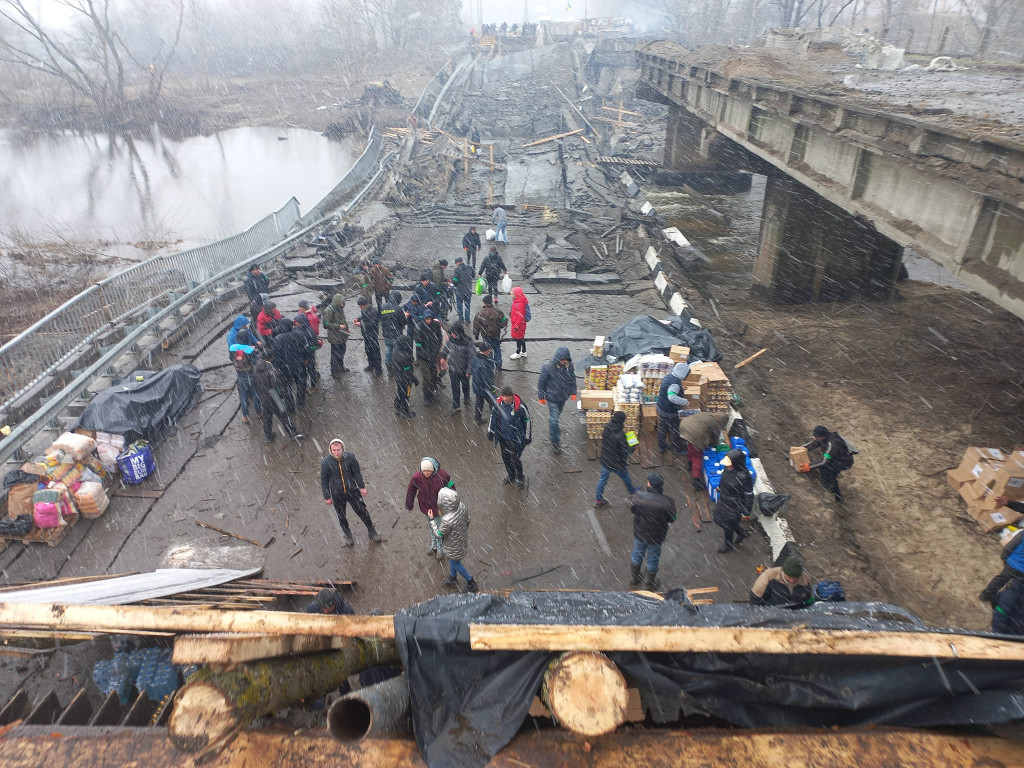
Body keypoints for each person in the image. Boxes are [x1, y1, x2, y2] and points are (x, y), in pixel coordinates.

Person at [321, 438, 381, 547]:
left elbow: (357, 473)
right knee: (341, 516)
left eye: (338, 450)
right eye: (334, 450)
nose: (336, 452)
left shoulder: (350, 457)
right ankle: (348, 534)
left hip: (352, 490)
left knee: (362, 510)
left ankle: (371, 530)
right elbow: (324, 480)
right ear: (330, 450)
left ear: (342, 448)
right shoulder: (326, 462)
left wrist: (362, 486)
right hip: (336, 493)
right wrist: (327, 496)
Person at [629, 472, 677, 590]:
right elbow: (672, 519)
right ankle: (649, 583)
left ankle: (635, 578)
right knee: (653, 559)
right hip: (656, 537)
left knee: (637, 554)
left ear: (649, 484)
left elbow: (633, 510)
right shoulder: (668, 502)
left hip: (640, 533)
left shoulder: (638, 497)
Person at [406, 457, 455, 559]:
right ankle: (434, 543)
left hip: (438, 507)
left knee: (437, 527)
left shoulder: (442, 476)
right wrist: (409, 505)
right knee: (430, 525)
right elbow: (411, 490)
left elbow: (451, 486)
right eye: (424, 471)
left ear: (433, 469)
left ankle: (440, 547)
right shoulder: (417, 477)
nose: (426, 473)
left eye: (428, 471)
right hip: (425, 506)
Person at [432, 487, 478, 592]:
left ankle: (471, 582)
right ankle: (453, 577)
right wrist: (462, 531)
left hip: (452, 545)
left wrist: (432, 521)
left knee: (455, 563)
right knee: (453, 560)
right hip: (461, 540)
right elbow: (468, 520)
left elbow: (439, 534)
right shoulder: (462, 506)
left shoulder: (447, 519)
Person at [979, 502, 1024, 604]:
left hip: (1012, 564)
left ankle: (986, 595)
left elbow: (1009, 548)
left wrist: (1004, 557)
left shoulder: (1022, 535)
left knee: (1000, 580)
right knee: (1015, 587)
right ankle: (1004, 601)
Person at [489, 385, 531, 488]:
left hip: (515, 438)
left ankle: (520, 477)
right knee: (505, 457)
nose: (505, 399)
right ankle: (511, 474)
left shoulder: (520, 406)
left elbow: (527, 421)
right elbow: (493, 417)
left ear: (512, 396)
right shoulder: (498, 404)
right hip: (503, 437)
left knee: (515, 458)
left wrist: (527, 436)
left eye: (508, 397)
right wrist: (490, 431)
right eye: (504, 397)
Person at [798, 425, 855, 503]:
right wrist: (799, 449)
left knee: (827, 469)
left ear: (822, 436)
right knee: (828, 472)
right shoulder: (823, 438)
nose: (815, 439)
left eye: (817, 437)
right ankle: (835, 493)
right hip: (836, 458)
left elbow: (824, 461)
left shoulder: (832, 444)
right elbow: (813, 444)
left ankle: (831, 489)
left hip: (844, 462)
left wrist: (810, 466)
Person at [537, 347, 577, 455]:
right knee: (554, 419)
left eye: (566, 359)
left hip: (563, 397)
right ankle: (555, 442)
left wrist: (573, 392)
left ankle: (554, 429)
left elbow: (573, 379)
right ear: (558, 358)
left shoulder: (570, 367)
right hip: (552, 398)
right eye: (563, 359)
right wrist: (541, 396)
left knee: (557, 415)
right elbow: (541, 383)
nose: (564, 361)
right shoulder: (548, 367)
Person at [253, 350, 300, 442]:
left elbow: (254, 382)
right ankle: (292, 433)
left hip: (264, 397)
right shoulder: (272, 370)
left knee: (267, 417)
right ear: (270, 358)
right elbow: (278, 387)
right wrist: (282, 396)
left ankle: (268, 436)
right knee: (284, 416)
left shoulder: (255, 368)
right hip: (274, 397)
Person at [713, 449, 753, 553]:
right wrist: (720, 487)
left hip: (734, 504)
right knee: (725, 520)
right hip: (724, 499)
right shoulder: (728, 468)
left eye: (730, 464)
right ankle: (742, 533)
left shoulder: (745, 476)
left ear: (737, 462)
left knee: (727, 524)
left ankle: (728, 544)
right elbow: (724, 478)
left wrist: (746, 511)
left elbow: (748, 494)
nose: (728, 466)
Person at [595, 411, 637, 508]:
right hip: (617, 463)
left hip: (605, 461)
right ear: (622, 421)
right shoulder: (620, 435)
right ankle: (632, 491)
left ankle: (598, 500)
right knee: (625, 477)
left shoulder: (606, 427)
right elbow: (626, 452)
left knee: (602, 480)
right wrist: (633, 446)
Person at [656, 362, 695, 455]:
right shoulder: (675, 383)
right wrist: (684, 401)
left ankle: (662, 447)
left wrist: (680, 388)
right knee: (675, 430)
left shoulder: (669, 376)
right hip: (669, 410)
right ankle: (677, 449)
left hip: (661, 406)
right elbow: (671, 397)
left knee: (662, 428)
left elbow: (668, 389)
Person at [678, 412, 725, 490]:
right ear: (721, 420)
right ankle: (696, 481)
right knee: (698, 456)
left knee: (691, 445)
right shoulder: (715, 423)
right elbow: (715, 438)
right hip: (695, 433)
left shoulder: (706, 414)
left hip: (684, 425)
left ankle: (690, 464)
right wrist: (713, 446)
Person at [271, 318, 308, 411]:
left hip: (285, 367)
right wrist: (305, 359)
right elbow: (306, 348)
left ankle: (290, 406)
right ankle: (301, 403)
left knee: (286, 386)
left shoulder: (278, 339)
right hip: (299, 364)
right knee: (301, 384)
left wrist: (279, 366)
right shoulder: (299, 335)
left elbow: (276, 355)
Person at [750, 557, 814, 607]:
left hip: (795, 615)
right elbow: (755, 600)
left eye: (796, 578)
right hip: (771, 614)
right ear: (783, 571)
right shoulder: (768, 577)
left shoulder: (805, 579)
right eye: (789, 577)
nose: (792, 581)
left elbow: (808, 600)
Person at [229, 330, 261, 424]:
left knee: (243, 396)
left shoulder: (232, 347)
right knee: (255, 393)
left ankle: (245, 416)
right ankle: (258, 412)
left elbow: (231, 358)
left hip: (240, 375)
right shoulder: (250, 350)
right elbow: (255, 362)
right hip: (250, 374)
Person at [443, 322, 474, 413]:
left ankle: (466, 397)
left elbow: (472, 358)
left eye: (454, 333)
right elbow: (446, 349)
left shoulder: (468, 342)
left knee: (465, 385)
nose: (452, 335)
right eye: (451, 333)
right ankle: (456, 405)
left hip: (464, 370)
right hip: (453, 369)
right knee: (454, 388)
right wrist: (442, 357)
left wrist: (469, 371)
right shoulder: (451, 340)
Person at [414, 310, 444, 404]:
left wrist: (434, 353)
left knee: (433, 375)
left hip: (433, 355)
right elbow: (418, 344)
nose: (428, 321)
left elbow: (439, 339)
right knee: (427, 377)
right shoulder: (419, 327)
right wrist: (426, 355)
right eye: (427, 319)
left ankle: (431, 394)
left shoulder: (436, 325)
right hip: (423, 358)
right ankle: (426, 397)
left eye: (430, 319)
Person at [472, 294, 507, 370]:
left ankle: (490, 365)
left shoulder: (480, 313)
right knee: (497, 349)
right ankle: (498, 365)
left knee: (488, 351)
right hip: (496, 335)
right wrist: (500, 326)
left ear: (484, 303)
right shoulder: (498, 312)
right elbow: (504, 321)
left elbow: (476, 325)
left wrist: (476, 334)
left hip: (486, 336)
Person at [321, 294, 351, 376]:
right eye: (341, 303)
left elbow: (343, 319)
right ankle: (334, 371)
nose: (342, 304)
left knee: (342, 352)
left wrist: (346, 328)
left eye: (343, 303)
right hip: (335, 337)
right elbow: (326, 324)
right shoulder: (329, 310)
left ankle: (341, 367)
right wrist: (338, 326)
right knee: (335, 354)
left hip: (342, 336)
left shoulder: (340, 308)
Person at [354, 297, 383, 377]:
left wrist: (361, 324)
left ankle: (378, 369)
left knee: (375, 352)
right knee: (368, 351)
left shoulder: (373, 311)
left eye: (361, 306)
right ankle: (371, 365)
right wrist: (358, 319)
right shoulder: (364, 310)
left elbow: (373, 324)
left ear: (365, 304)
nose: (360, 307)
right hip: (366, 335)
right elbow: (363, 318)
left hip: (372, 335)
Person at [392, 336, 419, 418]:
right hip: (406, 380)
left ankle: (397, 407)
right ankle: (405, 411)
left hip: (398, 377)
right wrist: (414, 379)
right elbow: (408, 371)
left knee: (400, 391)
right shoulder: (406, 356)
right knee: (406, 394)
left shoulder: (395, 351)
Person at [294, 311, 321, 391]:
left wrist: (306, 358)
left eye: (297, 322)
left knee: (310, 370)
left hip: (308, 355)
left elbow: (312, 346)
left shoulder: (309, 332)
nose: (296, 324)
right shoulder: (300, 329)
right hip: (302, 355)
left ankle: (313, 386)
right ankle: (305, 385)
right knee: (304, 372)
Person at [380, 290, 407, 370]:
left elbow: (381, 319)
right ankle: (397, 367)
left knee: (388, 350)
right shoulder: (398, 309)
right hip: (396, 334)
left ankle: (388, 365)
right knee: (397, 352)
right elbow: (403, 322)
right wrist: (405, 316)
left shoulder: (382, 307)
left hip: (387, 334)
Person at [471, 341, 497, 425]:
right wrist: (492, 389)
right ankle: (495, 419)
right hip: (485, 388)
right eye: (489, 350)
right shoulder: (484, 362)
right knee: (493, 402)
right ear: (485, 350)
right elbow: (486, 378)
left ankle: (477, 419)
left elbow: (471, 368)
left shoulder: (475, 358)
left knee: (479, 402)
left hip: (477, 386)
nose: (490, 351)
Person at [508, 286, 530, 360]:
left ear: (516, 295)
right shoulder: (518, 301)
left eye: (512, 294)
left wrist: (516, 326)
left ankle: (518, 352)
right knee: (521, 338)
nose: (511, 295)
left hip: (518, 325)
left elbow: (520, 316)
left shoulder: (519, 304)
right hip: (521, 324)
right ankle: (524, 351)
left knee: (518, 339)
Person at [452, 256, 475, 323]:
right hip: (468, 290)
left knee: (459, 305)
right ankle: (467, 319)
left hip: (460, 291)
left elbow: (456, 280)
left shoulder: (457, 270)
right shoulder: (469, 267)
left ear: (459, 262)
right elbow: (473, 275)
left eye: (456, 263)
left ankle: (461, 319)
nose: (456, 264)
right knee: (467, 305)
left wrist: (453, 282)